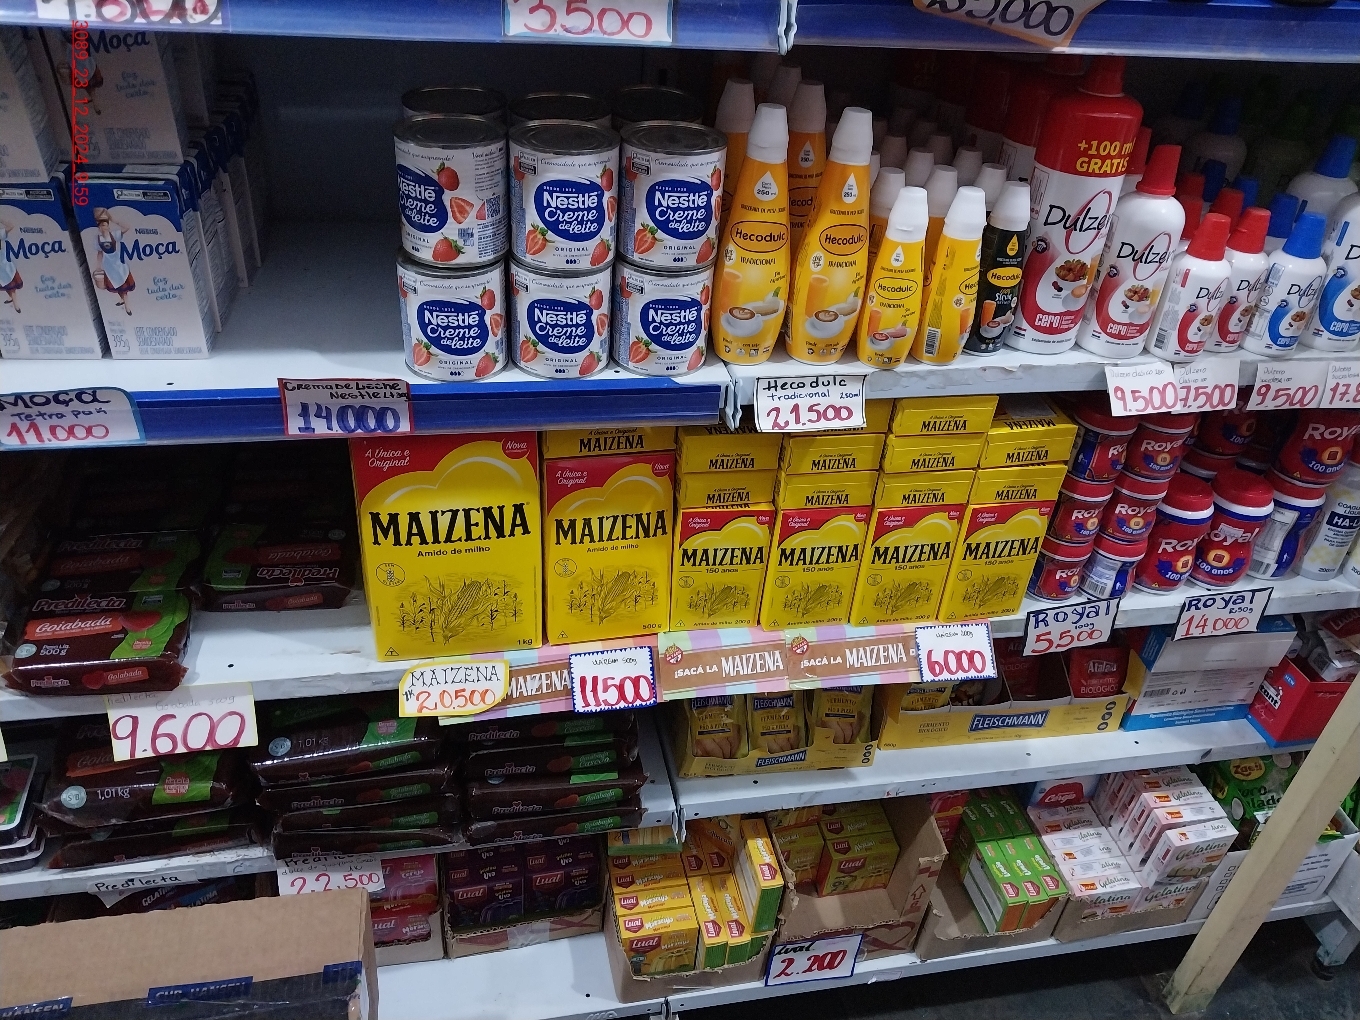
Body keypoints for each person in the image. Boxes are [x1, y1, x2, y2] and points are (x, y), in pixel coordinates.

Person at [93, 207, 134, 315]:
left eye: (105, 225)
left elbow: (127, 227)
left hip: (117, 262)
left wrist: (113, 219)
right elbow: (99, 253)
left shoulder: (114, 235)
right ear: (99, 228)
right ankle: (122, 300)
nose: (104, 228)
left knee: (123, 284)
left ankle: (127, 307)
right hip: (108, 264)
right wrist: (98, 267)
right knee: (116, 284)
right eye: (101, 226)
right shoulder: (98, 239)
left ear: (108, 226)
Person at [0, 218, 21, 314]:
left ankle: (16, 304)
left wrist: (1, 220)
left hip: (3, 262)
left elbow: (11, 226)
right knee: (4, 282)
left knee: (9, 280)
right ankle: (11, 298)